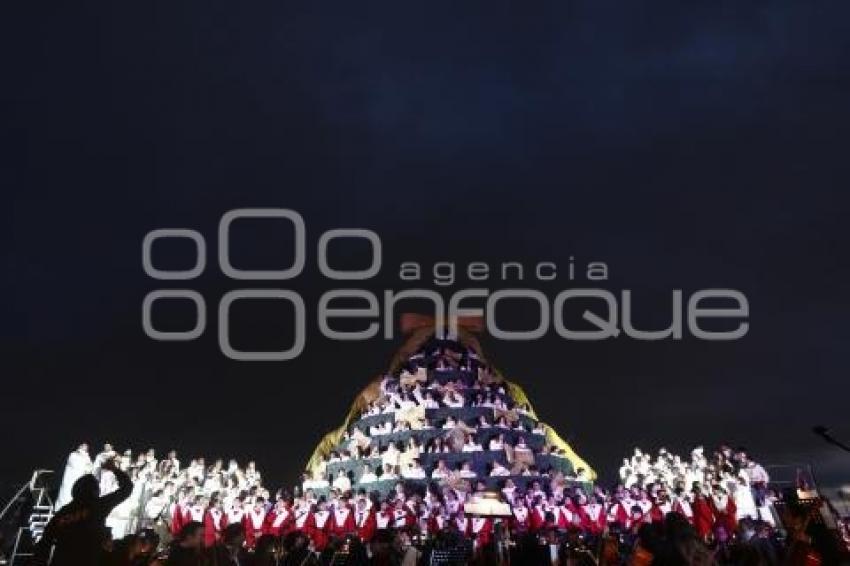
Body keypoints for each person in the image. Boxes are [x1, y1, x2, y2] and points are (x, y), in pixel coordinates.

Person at [34, 458, 132, 566]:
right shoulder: (99, 505)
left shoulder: (62, 513)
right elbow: (127, 488)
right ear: (95, 490)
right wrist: (114, 469)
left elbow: (45, 542)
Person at [55, 443, 93, 510]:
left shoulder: (87, 457)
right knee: (67, 494)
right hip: (71, 477)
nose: (84, 447)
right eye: (83, 446)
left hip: (80, 479)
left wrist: (87, 470)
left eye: (86, 447)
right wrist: (84, 467)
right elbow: (74, 464)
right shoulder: (73, 454)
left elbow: (90, 468)